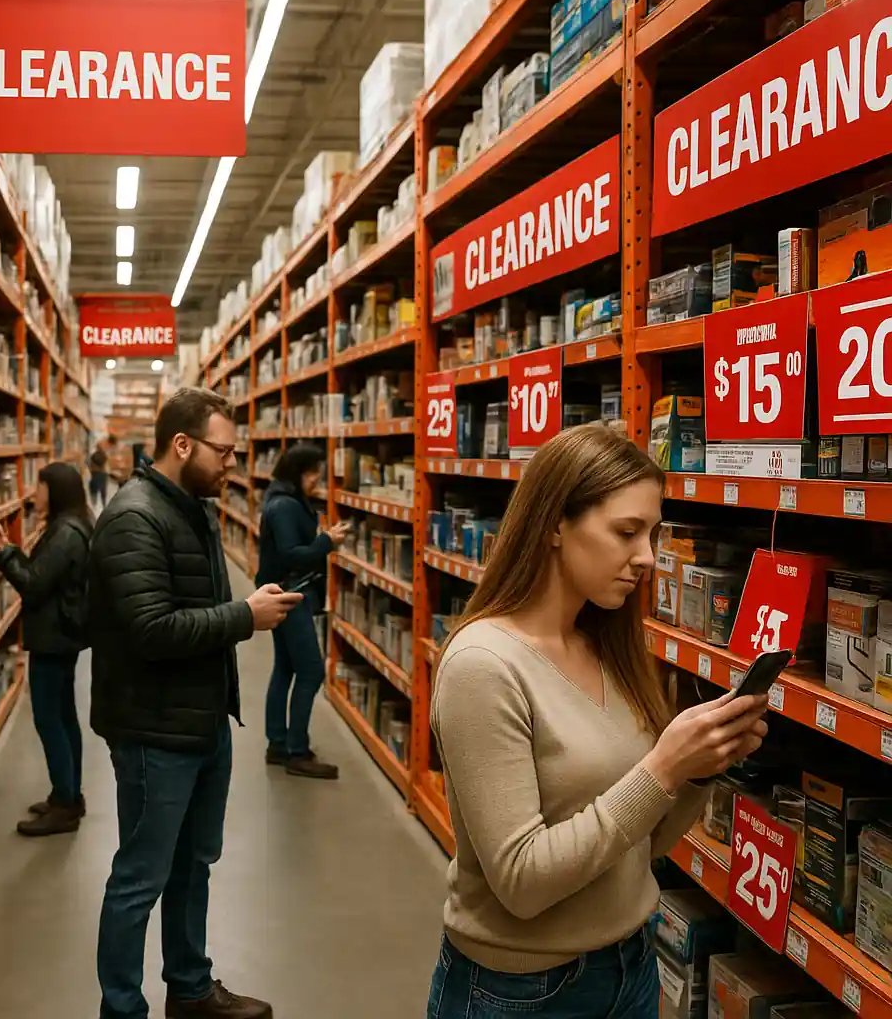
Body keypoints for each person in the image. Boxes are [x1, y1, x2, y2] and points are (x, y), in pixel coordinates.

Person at [426, 425, 769, 1019]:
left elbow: (641, 847)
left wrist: (698, 770)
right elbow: (522, 884)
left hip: (631, 967)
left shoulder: (608, 649)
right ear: (556, 524)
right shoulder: (483, 666)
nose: (647, 557)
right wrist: (662, 768)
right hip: (521, 992)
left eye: (654, 533)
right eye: (627, 532)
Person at [89, 388, 303, 1019]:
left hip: (204, 721)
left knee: (195, 865)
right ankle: (122, 1009)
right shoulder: (134, 517)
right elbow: (152, 630)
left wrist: (243, 607)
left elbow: (195, 609)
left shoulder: (195, 510)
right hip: (154, 731)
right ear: (182, 445)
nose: (233, 464)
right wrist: (245, 615)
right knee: (140, 878)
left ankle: (188, 987)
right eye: (225, 452)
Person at [0, 462, 92, 837]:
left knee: (50, 719)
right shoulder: (74, 525)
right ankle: (67, 794)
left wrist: (3, 555)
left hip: (54, 639)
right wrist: (12, 550)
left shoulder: (66, 533)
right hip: (63, 636)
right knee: (64, 716)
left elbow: (33, 584)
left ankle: (64, 805)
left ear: (56, 491)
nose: (34, 494)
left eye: (40, 486)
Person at [256, 443, 351, 780]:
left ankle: (278, 743)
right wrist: (326, 542)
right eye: (313, 474)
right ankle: (297, 751)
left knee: (284, 667)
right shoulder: (283, 505)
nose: (316, 480)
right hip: (289, 594)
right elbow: (291, 554)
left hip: (287, 590)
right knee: (310, 671)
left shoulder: (285, 499)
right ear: (298, 473)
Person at [89, 433, 119, 509]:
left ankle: (98, 504)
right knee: (99, 488)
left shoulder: (102, 445)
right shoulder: (103, 446)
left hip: (98, 470)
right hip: (99, 470)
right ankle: (98, 505)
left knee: (98, 488)